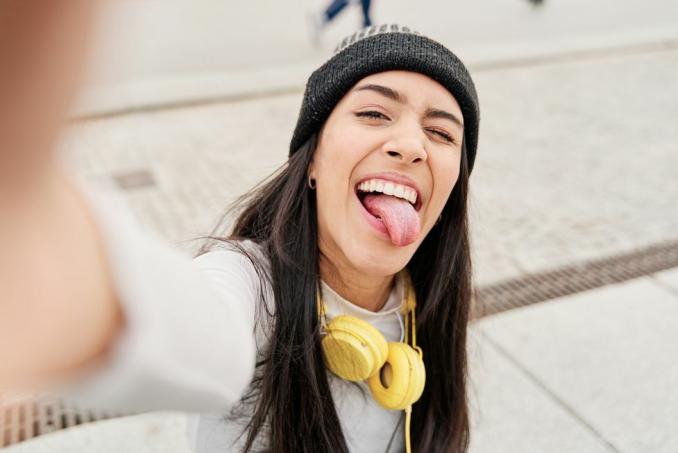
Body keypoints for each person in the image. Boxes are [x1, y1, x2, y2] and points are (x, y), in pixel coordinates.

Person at [0, 3, 480, 451]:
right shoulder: (251, 286)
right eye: (374, 113)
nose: (411, 145)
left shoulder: (431, 305)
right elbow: (195, 325)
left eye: (441, 133)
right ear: (311, 158)